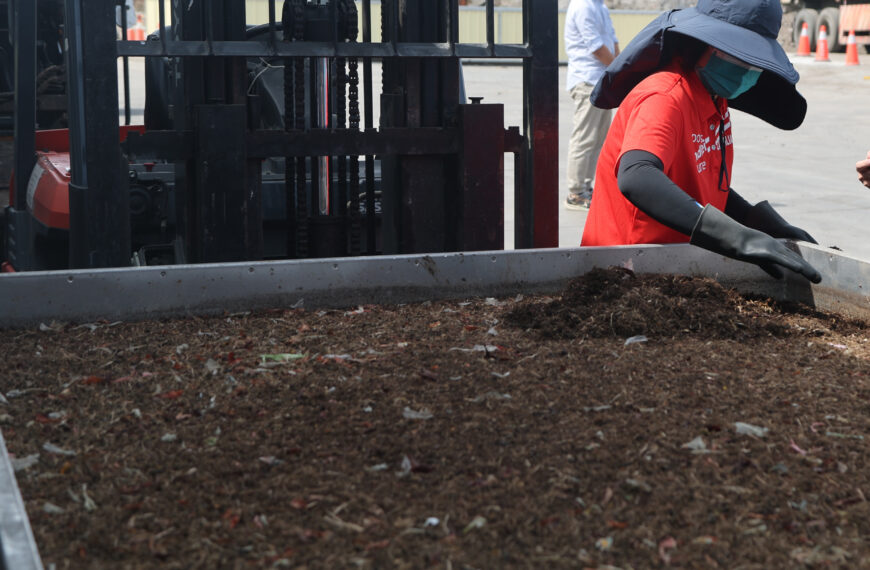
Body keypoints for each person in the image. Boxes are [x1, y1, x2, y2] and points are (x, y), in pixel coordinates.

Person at [580, 0, 821, 284]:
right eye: (741, 58)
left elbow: (698, 180)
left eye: (755, 63)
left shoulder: (713, 99)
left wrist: (755, 221)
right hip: (625, 272)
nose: (749, 70)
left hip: (674, 271)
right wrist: (735, 237)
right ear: (706, 46)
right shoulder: (664, 97)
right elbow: (637, 176)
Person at [564, 0, 619, 210]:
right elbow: (596, 47)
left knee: (597, 138)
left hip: (600, 80)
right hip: (587, 80)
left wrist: (617, 69)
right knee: (584, 138)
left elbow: (612, 40)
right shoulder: (582, 5)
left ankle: (586, 187)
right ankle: (575, 192)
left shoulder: (600, 6)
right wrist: (617, 69)